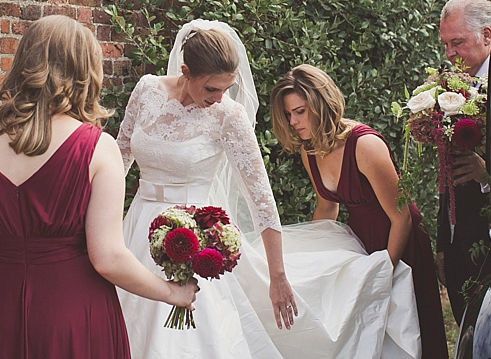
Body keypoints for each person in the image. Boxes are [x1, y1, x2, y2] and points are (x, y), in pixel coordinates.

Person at [118, 20, 421, 359]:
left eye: (227, 89)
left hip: (197, 236)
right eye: (211, 90)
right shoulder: (147, 90)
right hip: (138, 227)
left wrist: (278, 276)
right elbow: (120, 158)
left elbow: (261, 199)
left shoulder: (227, 116)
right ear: (186, 71)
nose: (220, 99)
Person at [0, 15, 197, 358]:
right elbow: (107, 257)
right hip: (74, 313)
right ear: (85, 71)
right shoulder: (96, 148)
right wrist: (171, 292)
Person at [271, 64, 448, 359]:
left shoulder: (364, 145)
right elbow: (327, 206)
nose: (293, 121)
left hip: (399, 236)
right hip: (361, 241)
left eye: (300, 111)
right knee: (371, 333)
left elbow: (401, 215)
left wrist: (384, 270)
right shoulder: (309, 149)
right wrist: (315, 257)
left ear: (321, 104)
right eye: (289, 114)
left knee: (409, 326)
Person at [438, 0, 491, 323]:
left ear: (486, 35)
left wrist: (486, 175)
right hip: (457, 240)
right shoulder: (448, 89)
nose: (450, 53)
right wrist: (443, 244)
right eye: (445, 44)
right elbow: (445, 174)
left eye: (457, 42)